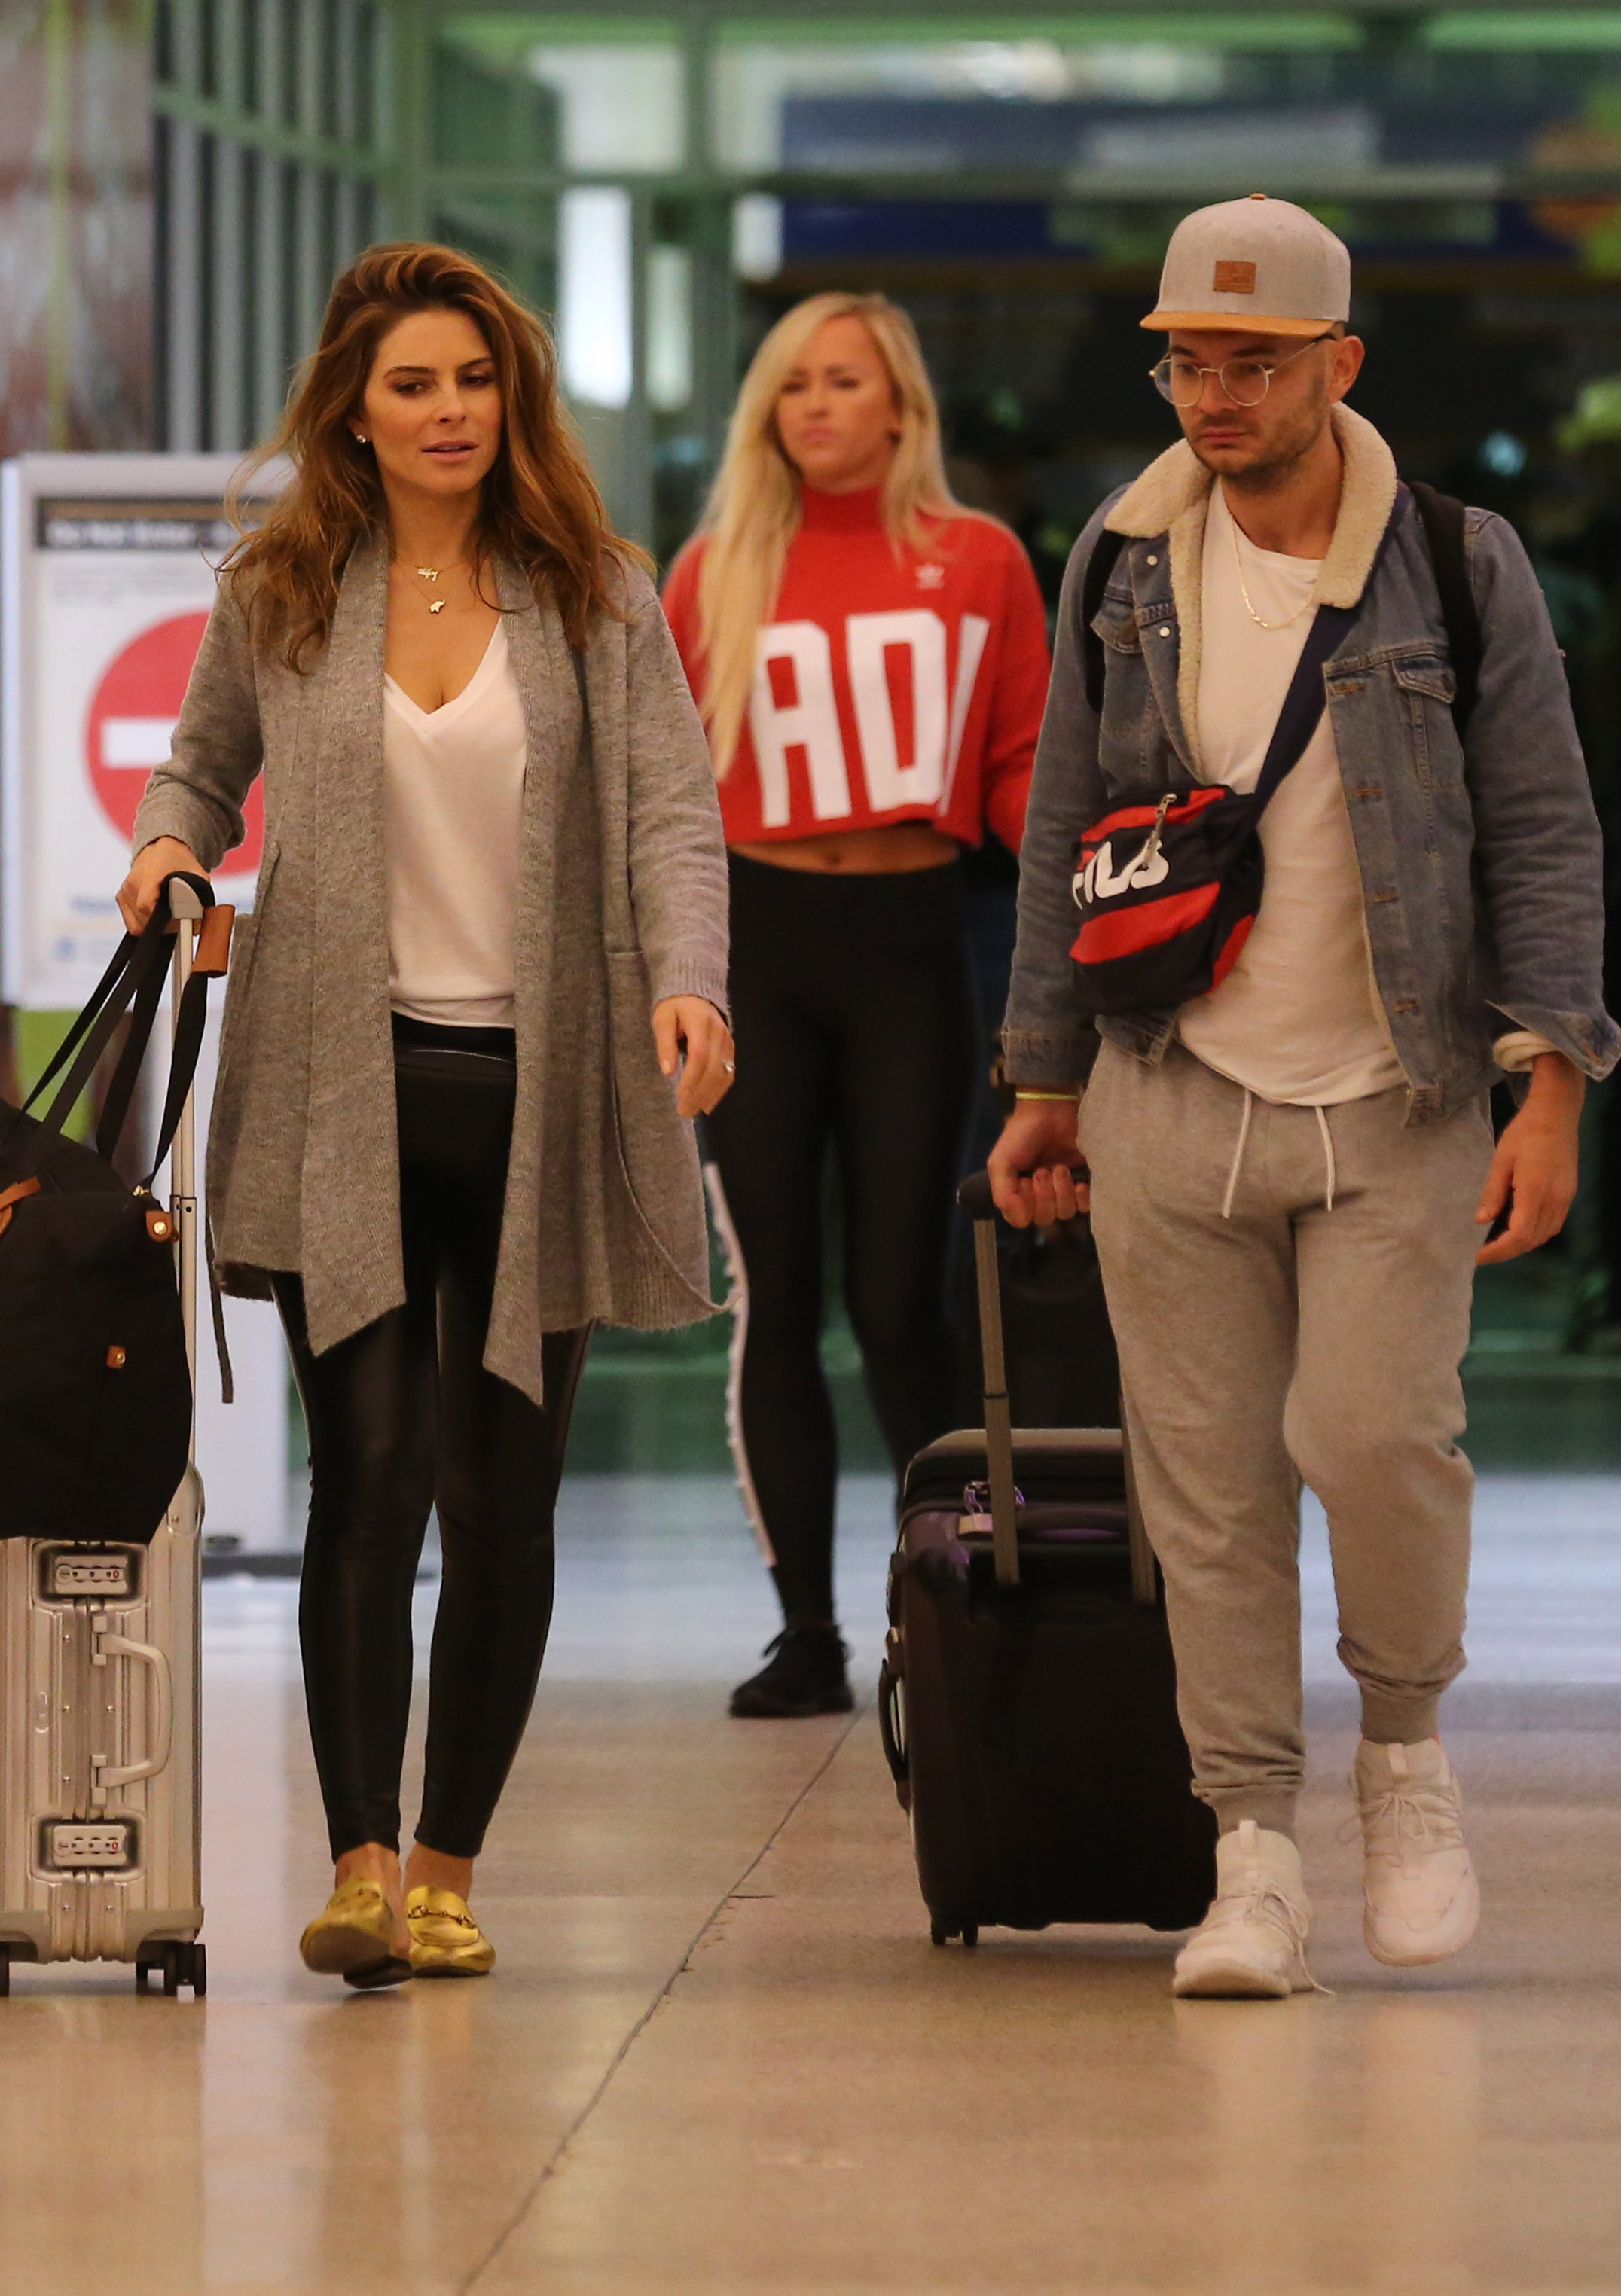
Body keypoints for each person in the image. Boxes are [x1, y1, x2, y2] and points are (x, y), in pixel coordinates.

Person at [991, 194, 1617, 1997]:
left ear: (1338, 364)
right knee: (1205, 1490)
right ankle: (1249, 1852)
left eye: (1253, 359)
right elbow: (1062, 834)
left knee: (1369, 1438)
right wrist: (1041, 1082)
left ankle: (1405, 1761)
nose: (1213, 390)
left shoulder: (1454, 556)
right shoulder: (1121, 559)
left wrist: (1551, 1083)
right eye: (1189, 355)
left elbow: (1547, 829)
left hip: (1396, 1095)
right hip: (1171, 1085)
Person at [120, 242, 734, 1987]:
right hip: (340, 1081)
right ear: (356, 412)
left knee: (502, 1493)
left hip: (541, 1092)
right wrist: (171, 845)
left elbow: (674, 822)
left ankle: (454, 1864)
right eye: (413, 385)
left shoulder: (596, 593)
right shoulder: (286, 588)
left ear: (509, 398)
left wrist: (691, 978)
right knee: (371, 1478)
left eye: (472, 380)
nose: (449, 411)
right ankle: (360, 1865)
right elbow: (196, 768)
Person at [663, 294, 1049, 1718]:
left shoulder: (981, 560)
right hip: (756, 948)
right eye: (794, 386)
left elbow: (1023, 773)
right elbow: (664, 804)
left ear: (902, 407)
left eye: (846, 382)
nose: (817, 406)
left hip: (910, 940)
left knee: (904, 1297)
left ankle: (945, 1602)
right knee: (775, 1295)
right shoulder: (715, 570)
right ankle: (807, 1631)